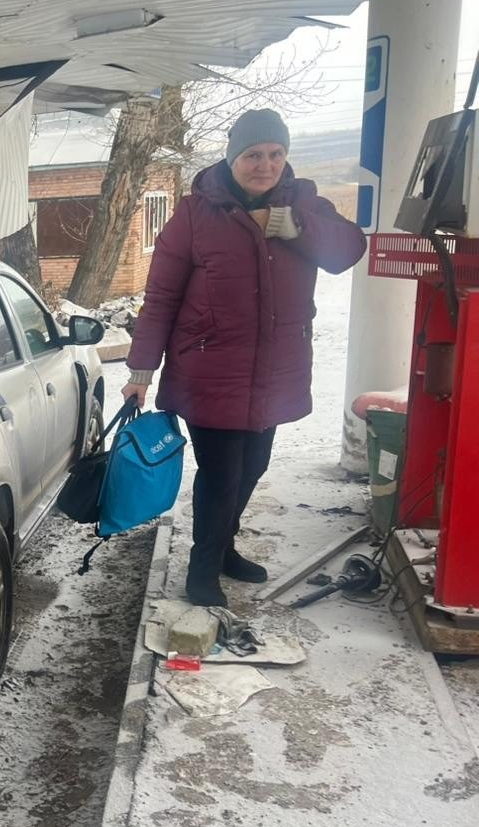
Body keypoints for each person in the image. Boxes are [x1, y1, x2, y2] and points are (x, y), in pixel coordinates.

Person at [121, 109, 366, 607]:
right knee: (221, 473)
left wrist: (290, 224)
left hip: (274, 373)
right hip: (210, 369)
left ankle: (224, 549)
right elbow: (161, 297)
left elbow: (348, 249)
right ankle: (202, 571)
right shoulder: (196, 213)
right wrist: (140, 372)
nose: (265, 164)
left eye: (275, 154)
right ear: (233, 158)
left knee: (254, 465)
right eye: (253, 155)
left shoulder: (306, 204)